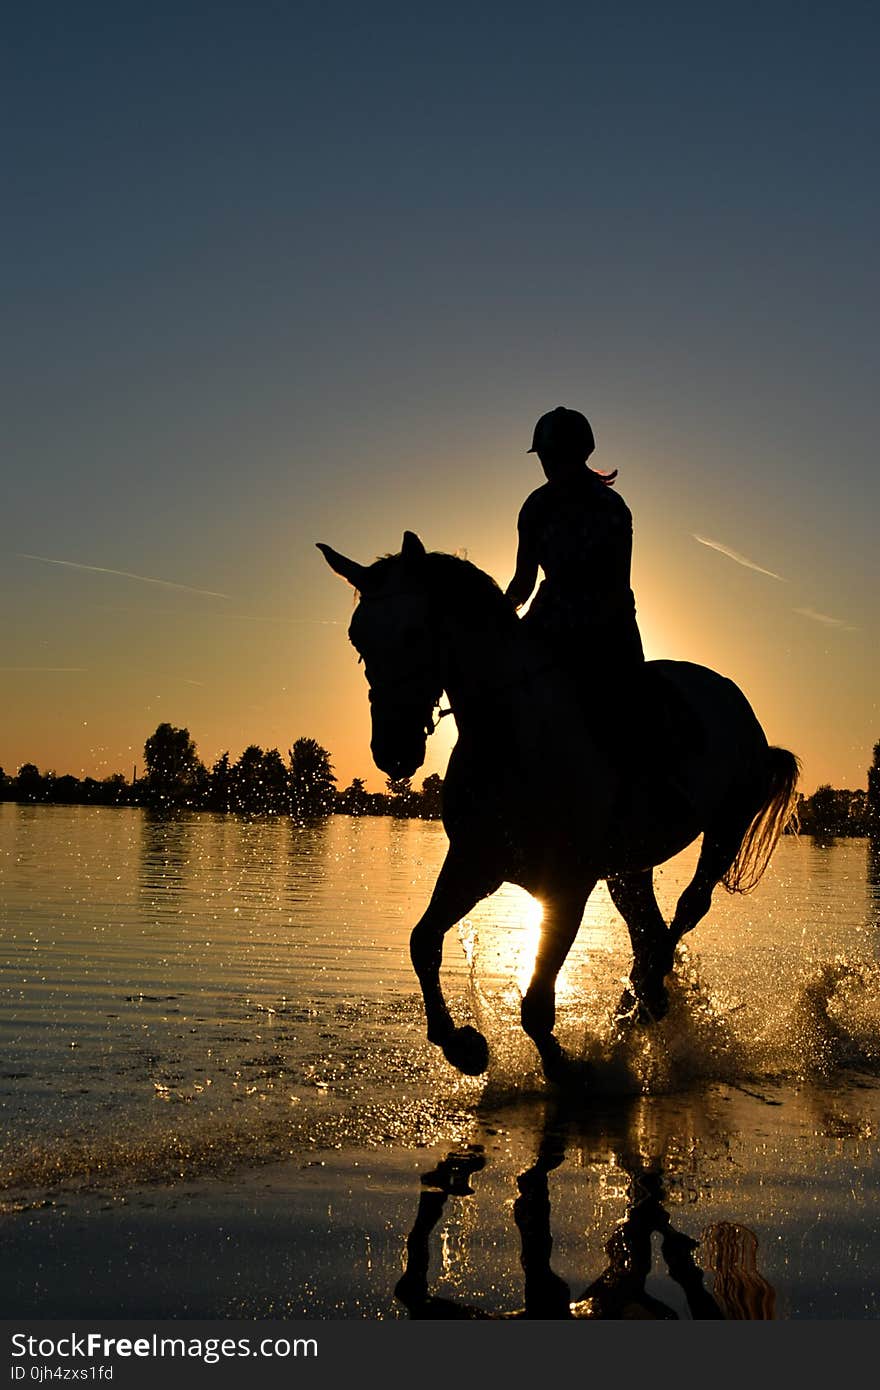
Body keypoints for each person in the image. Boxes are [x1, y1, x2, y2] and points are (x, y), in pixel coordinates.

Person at [505, 406, 645, 712]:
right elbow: (524, 581)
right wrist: (499, 615)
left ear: (578, 453)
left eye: (554, 455)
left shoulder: (611, 507)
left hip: (608, 628)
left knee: (633, 709)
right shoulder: (535, 507)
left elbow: (617, 583)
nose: (548, 464)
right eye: (545, 457)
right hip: (547, 620)